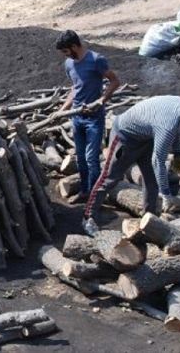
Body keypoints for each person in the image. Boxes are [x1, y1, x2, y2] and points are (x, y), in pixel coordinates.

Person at [82, 97, 180, 235]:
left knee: (152, 180)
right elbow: (158, 161)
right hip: (125, 135)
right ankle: (88, 217)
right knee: (109, 178)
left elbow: (176, 130)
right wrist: (166, 195)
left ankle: (150, 219)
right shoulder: (167, 126)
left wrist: (179, 153)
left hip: (146, 137)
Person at [52, 30, 120, 232]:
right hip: (77, 117)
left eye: (66, 51)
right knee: (80, 157)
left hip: (94, 118)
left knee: (92, 157)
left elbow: (114, 81)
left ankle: (96, 197)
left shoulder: (96, 60)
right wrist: (62, 110)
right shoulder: (69, 64)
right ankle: (84, 190)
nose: (66, 55)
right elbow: (75, 88)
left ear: (74, 46)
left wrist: (101, 100)